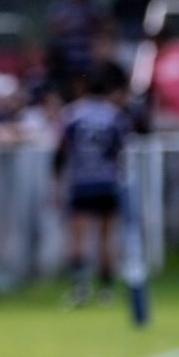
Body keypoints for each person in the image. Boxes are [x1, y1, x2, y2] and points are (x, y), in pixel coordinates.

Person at [54, 63, 134, 308]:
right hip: (107, 181)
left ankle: (79, 288)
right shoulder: (114, 115)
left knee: (78, 236)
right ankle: (106, 291)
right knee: (106, 238)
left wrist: (55, 183)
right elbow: (120, 150)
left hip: (81, 182)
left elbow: (61, 151)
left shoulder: (71, 114)